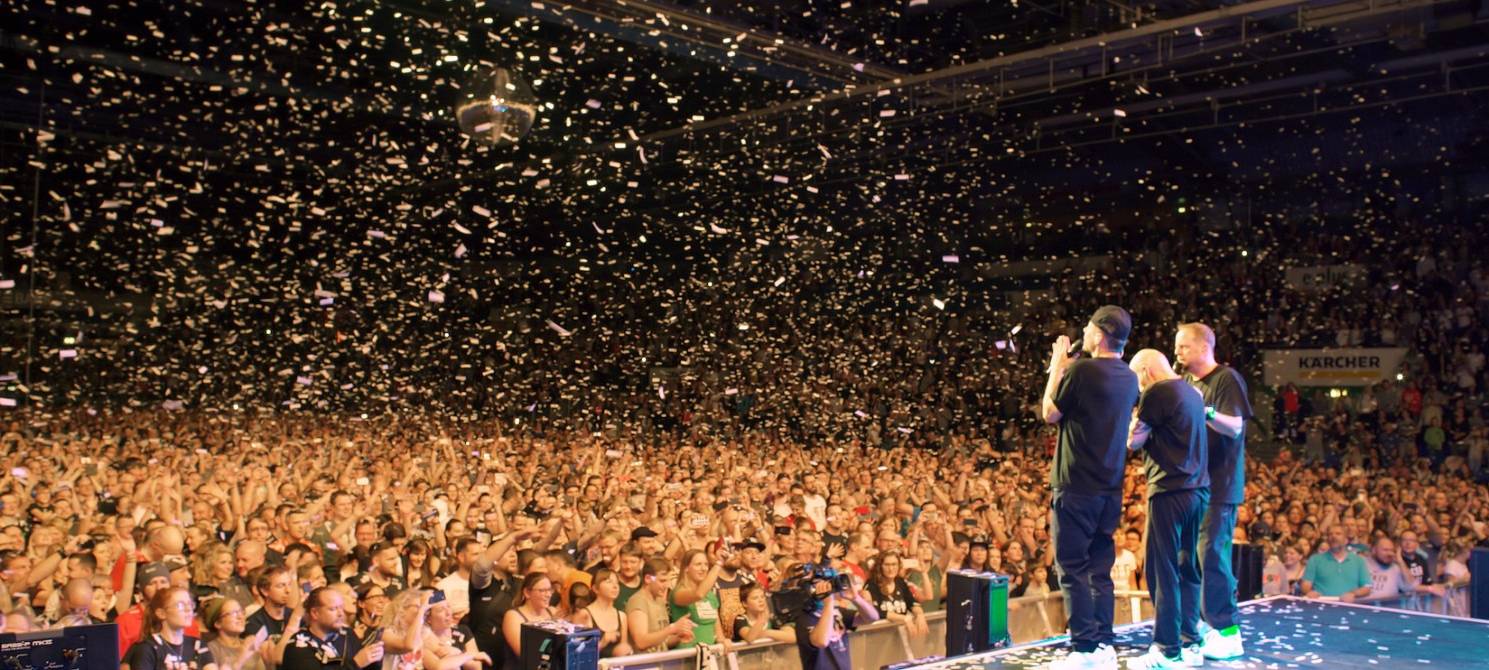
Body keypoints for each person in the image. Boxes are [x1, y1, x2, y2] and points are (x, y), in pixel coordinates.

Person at [1040, 305, 1140, 670]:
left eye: (1087, 326)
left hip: (1076, 484)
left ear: (1098, 334)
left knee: (1072, 567)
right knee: (1100, 567)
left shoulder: (1081, 370)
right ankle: (1103, 644)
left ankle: (1083, 650)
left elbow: (1050, 413)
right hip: (1110, 488)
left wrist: (1057, 367)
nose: (1083, 330)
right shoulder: (1130, 377)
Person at [1124, 349, 1210, 669]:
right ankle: (1191, 641)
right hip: (1198, 489)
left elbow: (1133, 441)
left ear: (1146, 371)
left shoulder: (1157, 391)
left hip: (1169, 490)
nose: (1137, 387)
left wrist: (1132, 417)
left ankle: (1167, 649)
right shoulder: (1192, 391)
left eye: (1136, 379)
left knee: (1163, 571)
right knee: (1188, 567)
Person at [1174, 322, 1252, 661]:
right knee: (1190, 557)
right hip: (1194, 484)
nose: (1176, 353)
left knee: (1211, 555)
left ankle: (1228, 630)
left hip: (1219, 485)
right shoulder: (1188, 382)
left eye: (1183, 347)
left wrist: (1202, 410)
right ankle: (1203, 625)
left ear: (1204, 348)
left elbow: (1235, 426)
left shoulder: (1226, 380)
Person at [792, 567, 880, 670]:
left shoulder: (837, 612)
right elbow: (821, 641)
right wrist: (828, 603)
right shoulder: (804, 618)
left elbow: (872, 618)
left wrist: (856, 598)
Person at [281, 587, 384, 670]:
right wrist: (355, 664)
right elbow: (358, 663)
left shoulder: (347, 634)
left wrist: (374, 659)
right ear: (315, 613)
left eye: (341, 608)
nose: (340, 613)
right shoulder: (298, 646)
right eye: (333, 609)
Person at [122, 586, 218, 670]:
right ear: (162, 613)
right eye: (180, 605)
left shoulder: (197, 645)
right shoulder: (147, 648)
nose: (188, 609)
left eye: (190, 604)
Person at [626, 557, 694, 653]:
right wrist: (672, 628)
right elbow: (641, 642)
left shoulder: (659, 601)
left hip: (661, 663)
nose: (666, 585)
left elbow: (663, 642)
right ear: (648, 579)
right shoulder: (638, 601)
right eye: (662, 581)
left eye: (668, 581)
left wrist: (679, 636)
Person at [570, 568, 633, 658]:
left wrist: (625, 650)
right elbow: (576, 653)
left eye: (617, 583)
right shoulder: (584, 615)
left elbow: (623, 650)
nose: (615, 586)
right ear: (595, 588)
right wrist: (602, 643)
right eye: (609, 582)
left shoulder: (622, 616)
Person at [499, 573, 555, 670]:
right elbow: (526, 654)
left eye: (550, 590)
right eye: (542, 591)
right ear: (527, 593)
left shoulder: (552, 613)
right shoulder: (513, 616)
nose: (548, 595)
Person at [1301, 525, 1371, 600]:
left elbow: (1366, 588)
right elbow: (1306, 584)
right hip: (1322, 605)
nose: (1333, 536)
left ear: (1346, 540)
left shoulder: (1359, 560)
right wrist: (1310, 592)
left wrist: (1353, 593)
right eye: (1330, 534)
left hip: (1349, 605)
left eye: (1338, 534)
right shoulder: (1315, 559)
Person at [203, 596, 269, 670]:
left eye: (241, 611)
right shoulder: (211, 650)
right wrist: (242, 657)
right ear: (218, 623)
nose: (240, 617)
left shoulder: (249, 644)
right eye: (233, 613)